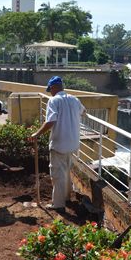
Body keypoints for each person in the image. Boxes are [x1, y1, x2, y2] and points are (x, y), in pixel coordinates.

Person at [30, 76, 86, 213]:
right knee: (67, 171)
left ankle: (58, 204)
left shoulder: (53, 101)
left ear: (54, 87)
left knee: (57, 174)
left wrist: (36, 134)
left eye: (50, 89)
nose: (50, 92)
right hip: (73, 143)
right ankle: (66, 197)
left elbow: (51, 121)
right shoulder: (74, 99)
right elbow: (84, 112)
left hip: (59, 143)